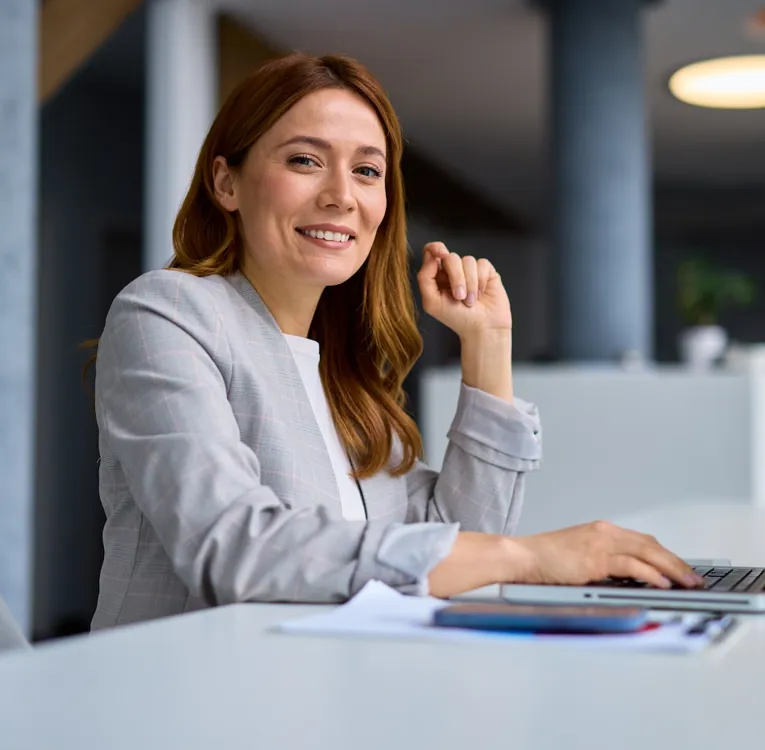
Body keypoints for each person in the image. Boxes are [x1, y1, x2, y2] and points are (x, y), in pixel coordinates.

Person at [90, 53, 701, 630]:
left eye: (366, 170)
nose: (342, 195)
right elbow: (233, 549)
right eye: (305, 160)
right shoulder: (167, 314)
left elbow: (459, 545)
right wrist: (530, 557)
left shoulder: (346, 373)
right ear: (227, 182)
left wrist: (488, 345)